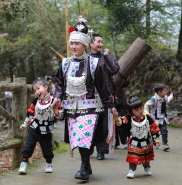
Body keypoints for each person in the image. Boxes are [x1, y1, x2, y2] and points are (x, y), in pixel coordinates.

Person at [54, 16, 117, 181]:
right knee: (78, 138)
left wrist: (111, 105)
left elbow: (103, 87)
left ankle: (83, 168)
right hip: (71, 107)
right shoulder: (65, 63)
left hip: (90, 107)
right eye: (72, 44)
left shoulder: (95, 64)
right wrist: (58, 97)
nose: (74, 47)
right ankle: (86, 164)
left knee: (84, 137)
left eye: (77, 44)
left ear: (85, 45)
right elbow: (60, 84)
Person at [18, 79, 63, 174]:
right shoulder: (35, 102)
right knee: (28, 146)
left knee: (47, 149)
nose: (37, 92)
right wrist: (25, 124)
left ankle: (48, 163)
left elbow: (60, 116)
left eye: (38, 88)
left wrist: (57, 113)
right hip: (34, 128)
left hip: (46, 130)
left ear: (46, 87)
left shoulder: (54, 101)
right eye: (35, 91)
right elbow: (30, 113)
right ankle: (23, 163)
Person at [89, 33, 120, 160]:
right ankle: (88, 149)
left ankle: (101, 151)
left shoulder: (104, 57)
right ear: (90, 44)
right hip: (90, 96)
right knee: (91, 123)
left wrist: (108, 56)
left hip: (105, 94)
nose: (101, 44)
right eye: (98, 42)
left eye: (102, 42)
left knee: (103, 123)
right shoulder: (87, 59)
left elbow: (114, 70)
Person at [114, 96, 160, 179]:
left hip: (146, 141)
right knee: (133, 156)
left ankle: (147, 168)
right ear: (131, 111)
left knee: (146, 156)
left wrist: (157, 139)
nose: (140, 111)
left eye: (141, 108)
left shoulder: (147, 117)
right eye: (137, 110)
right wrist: (117, 120)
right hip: (134, 142)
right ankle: (132, 170)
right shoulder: (129, 118)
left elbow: (154, 128)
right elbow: (121, 122)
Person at [144, 83, 173, 151]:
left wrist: (171, 96)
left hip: (163, 118)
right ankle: (154, 143)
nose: (165, 93)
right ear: (159, 92)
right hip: (155, 119)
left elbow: (167, 99)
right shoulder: (154, 99)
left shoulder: (165, 97)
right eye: (164, 91)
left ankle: (165, 144)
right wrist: (147, 113)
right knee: (154, 132)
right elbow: (146, 105)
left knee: (164, 131)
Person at [115, 79, 130, 149]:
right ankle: (115, 142)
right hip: (111, 103)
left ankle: (124, 142)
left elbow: (126, 82)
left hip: (121, 104)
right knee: (113, 125)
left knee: (122, 123)